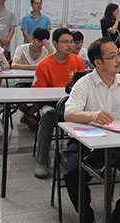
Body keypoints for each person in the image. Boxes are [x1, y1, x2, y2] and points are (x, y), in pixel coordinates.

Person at [64, 37, 120, 223]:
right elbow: (69, 114)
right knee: (73, 174)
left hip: (119, 141)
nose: (119, 60)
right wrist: (92, 115)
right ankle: (87, 219)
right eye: (112, 57)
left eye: (118, 55)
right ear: (98, 63)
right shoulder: (84, 83)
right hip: (85, 142)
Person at [32, 28, 86, 178]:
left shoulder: (78, 61)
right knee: (48, 114)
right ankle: (42, 162)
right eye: (65, 42)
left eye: (71, 42)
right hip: (51, 106)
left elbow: (83, 86)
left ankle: (83, 157)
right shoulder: (44, 64)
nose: (69, 45)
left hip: (74, 105)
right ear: (55, 44)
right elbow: (39, 93)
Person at [11, 27, 52, 130]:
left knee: (45, 97)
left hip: (38, 82)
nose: (39, 45)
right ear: (32, 37)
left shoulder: (45, 51)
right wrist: (34, 67)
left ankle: (28, 115)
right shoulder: (21, 48)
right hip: (22, 81)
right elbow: (14, 65)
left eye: (42, 43)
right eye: (38, 41)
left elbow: (53, 63)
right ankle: (29, 116)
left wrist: (49, 47)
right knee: (16, 99)